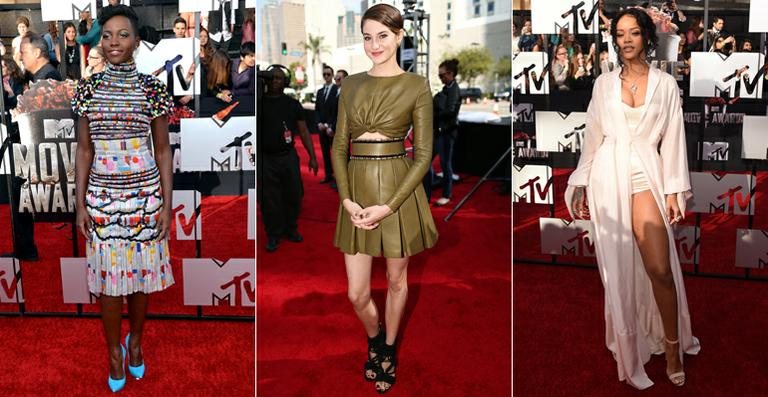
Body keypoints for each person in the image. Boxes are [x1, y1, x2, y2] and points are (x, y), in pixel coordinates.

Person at [564, 8, 700, 390]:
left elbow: (673, 138)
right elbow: (592, 138)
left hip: (646, 173)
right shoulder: (603, 85)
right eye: (620, 33)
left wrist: (674, 189)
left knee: (659, 267)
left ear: (646, 38)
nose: (626, 40)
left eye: (634, 33)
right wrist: (581, 182)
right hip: (608, 174)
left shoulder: (665, 85)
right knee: (618, 271)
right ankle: (630, 343)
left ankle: (673, 346)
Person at [331, 4, 438, 393]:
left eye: (382, 35)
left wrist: (390, 205)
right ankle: (374, 337)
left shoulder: (417, 86)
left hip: (398, 188)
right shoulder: (351, 85)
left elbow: (423, 155)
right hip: (356, 188)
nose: (374, 44)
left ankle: (388, 349)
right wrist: (346, 199)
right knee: (356, 293)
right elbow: (339, 145)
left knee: (396, 281)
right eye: (367, 36)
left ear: (398, 35)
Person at [71, 5, 175, 392]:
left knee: (140, 279)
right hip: (101, 197)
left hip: (144, 197)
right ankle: (114, 351)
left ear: (136, 40)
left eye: (123, 35)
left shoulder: (153, 88)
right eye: (108, 35)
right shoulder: (88, 88)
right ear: (101, 39)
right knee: (109, 280)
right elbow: (84, 151)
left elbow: (163, 150)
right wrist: (80, 203)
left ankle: (136, 342)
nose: (114, 42)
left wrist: (166, 203)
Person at [257, 66, 318, 252]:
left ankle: (291, 229)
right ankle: (273, 235)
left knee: (294, 194)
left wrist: (313, 157)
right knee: (270, 199)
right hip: (267, 158)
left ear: (286, 82)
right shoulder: (259, 103)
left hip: (288, 157)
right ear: (267, 80)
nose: (276, 81)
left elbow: (304, 131)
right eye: (272, 78)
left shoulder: (293, 105)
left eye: (280, 78)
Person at [424, 59, 461, 206]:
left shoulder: (454, 89)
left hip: (446, 132)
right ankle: (427, 193)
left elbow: (451, 111)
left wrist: (433, 114)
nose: (440, 78)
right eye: (439, 76)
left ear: (450, 73)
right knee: (426, 162)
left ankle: (446, 194)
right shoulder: (447, 88)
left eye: (442, 75)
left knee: (445, 164)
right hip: (439, 131)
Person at [315, 64, 338, 185]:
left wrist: (329, 125)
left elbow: (337, 111)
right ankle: (328, 175)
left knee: (335, 153)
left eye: (328, 74)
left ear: (332, 75)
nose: (326, 76)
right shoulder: (319, 92)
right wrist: (319, 123)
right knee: (325, 153)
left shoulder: (336, 90)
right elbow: (317, 109)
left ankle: (338, 177)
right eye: (324, 74)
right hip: (322, 129)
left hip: (332, 128)